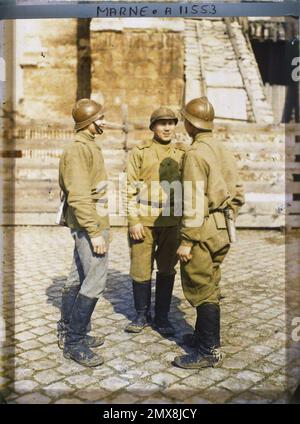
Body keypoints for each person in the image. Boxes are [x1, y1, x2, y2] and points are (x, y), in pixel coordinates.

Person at [174, 97, 245, 369]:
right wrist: (228, 216)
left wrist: (187, 240)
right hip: (222, 227)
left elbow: (193, 201)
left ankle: (208, 351)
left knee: (200, 287)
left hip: (201, 229)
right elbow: (238, 191)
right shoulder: (221, 148)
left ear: (190, 124)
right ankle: (203, 336)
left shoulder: (194, 154)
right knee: (212, 283)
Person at [124, 107, 186, 335]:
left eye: (171, 123)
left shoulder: (182, 153)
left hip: (172, 221)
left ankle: (161, 317)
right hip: (145, 220)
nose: (167, 127)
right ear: (153, 127)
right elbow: (129, 188)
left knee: (167, 269)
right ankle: (141, 314)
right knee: (141, 269)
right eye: (162, 123)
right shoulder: (139, 152)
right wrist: (133, 220)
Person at [57, 98, 110, 367]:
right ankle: (74, 342)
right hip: (90, 224)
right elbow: (78, 196)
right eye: (99, 119)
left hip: (89, 222)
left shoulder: (87, 145)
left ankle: (69, 330)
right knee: (95, 279)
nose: (103, 123)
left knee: (77, 275)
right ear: (88, 123)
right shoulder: (78, 149)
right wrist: (95, 232)